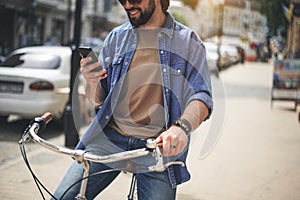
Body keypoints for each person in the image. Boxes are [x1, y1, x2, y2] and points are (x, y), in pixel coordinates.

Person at [52, 0, 213, 199]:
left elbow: (201, 97)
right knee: (61, 197)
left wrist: (181, 128)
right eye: (123, 0)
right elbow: (99, 101)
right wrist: (92, 82)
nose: (128, 5)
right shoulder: (116, 37)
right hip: (109, 139)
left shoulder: (188, 41)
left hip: (156, 148)